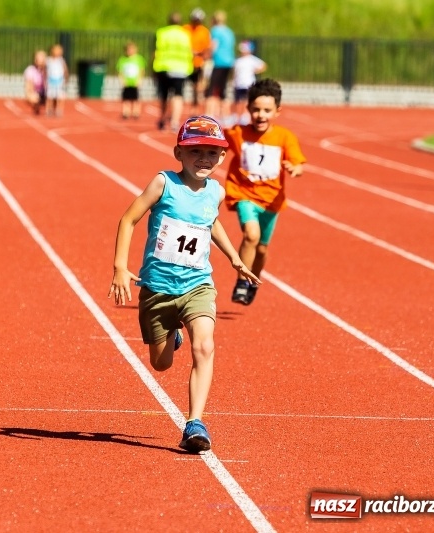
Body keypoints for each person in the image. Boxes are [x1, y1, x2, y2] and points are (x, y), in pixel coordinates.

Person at [109, 115, 261, 453]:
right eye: (195, 152)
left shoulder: (216, 192)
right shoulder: (163, 183)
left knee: (205, 347)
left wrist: (235, 258)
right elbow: (129, 218)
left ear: (222, 157)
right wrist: (120, 266)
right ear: (179, 153)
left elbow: (211, 223)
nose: (203, 159)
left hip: (198, 285)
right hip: (158, 289)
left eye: (211, 153)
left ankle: (195, 422)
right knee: (160, 364)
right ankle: (171, 336)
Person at [222, 78, 306, 305]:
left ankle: (252, 280)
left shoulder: (284, 137)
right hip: (244, 194)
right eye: (256, 110)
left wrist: (295, 168)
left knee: (261, 249)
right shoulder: (238, 133)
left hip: (272, 202)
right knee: (251, 235)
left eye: (267, 110)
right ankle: (241, 281)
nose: (261, 115)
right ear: (248, 109)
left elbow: (298, 162)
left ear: (277, 111)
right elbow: (216, 139)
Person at [152, 12, 193, 132]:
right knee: (178, 95)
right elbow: (189, 50)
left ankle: (163, 119)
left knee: (164, 95)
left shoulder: (162, 33)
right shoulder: (185, 34)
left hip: (164, 66)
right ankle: (175, 121)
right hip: (181, 68)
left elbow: (156, 51)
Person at [204, 10, 236, 123]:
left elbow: (213, 45)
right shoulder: (229, 31)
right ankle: (225, 115)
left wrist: (206, 56)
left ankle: (209, 113)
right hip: (229, 62)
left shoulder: (215, 31)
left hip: (218, 62)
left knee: (211, 89)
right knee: (223, 89)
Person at [231, 40, 266, 125]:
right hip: (238, 83)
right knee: (237, 101)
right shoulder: (238, 60)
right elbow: (234, 72)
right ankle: (236, 116)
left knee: (246, 101)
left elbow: (263, 66)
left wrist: (256, 71)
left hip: (248, 83)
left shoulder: (252, 59)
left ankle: (245, 115)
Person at [182, 8, 211, 113]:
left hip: (197, 63)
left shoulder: (204, 31)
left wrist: (200, 54)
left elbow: (207, 48)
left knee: (196, 87)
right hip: (184, 62)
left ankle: (194, 108)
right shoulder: (185, 29)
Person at [116, 41, 146, 120]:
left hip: (135, 82)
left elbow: (142, 70)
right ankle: (126, 112)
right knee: (126, 98)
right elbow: (120, 71)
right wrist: (122, 80)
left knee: (135, 98)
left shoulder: (139, 59)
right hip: (127, 82)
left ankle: (136, 112)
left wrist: (139, 80)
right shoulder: (122, 59)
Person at [45, 43, 69, 117]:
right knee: (50, 97)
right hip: (50, 81)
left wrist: (66, 78)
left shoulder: (61, 60)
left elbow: (65, 69)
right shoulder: (48, 60)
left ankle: (59, 109)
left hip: (59, 81)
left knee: (60, 97)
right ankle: (49, 109)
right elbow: (45, 70)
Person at [23, 49, 47, 115]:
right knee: (34, 98)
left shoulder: (48, 69)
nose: (40, 61)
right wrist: (31, 95)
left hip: (47, 91)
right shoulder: (30, 70)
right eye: (38, 58)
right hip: (36, 91)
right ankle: (36, 107)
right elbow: (29, 86)